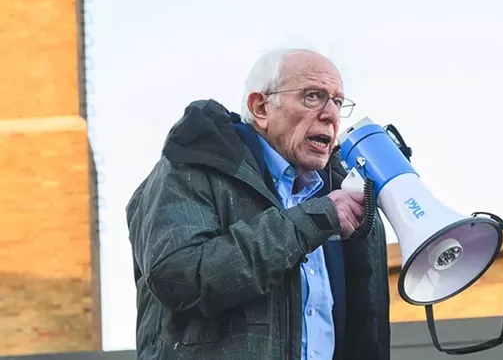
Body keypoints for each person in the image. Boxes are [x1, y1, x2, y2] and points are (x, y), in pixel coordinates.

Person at [125, 48, 391, 360]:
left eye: (337, 101)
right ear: (261, 107)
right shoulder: (195, 165)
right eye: (313, 96)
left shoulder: (338, 194)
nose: (331, 114)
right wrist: (313, 222)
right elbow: (181, 278)